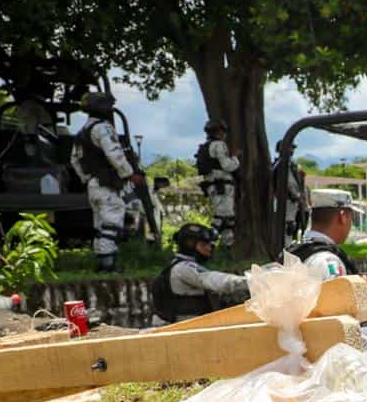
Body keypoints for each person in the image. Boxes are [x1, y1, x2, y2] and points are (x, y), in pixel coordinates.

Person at [70, 92, 145, 272]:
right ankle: (108, 266)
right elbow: (114, 154)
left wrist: (87, 178)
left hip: (94, 185)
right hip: (107, 185)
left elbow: (74, 160)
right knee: (111, 224)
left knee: (101, 226)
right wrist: (129, 174)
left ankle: (101, 263)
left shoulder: (82, 132)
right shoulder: (103, 128)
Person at [150, 223, 248, 325]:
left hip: (190, 326)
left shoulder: (177, 265)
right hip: (188, 329)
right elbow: (214, 280)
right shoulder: (184, 268)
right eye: (204, 244)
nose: (209, 248)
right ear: (190, 244)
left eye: (210, 244)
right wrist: (249, 281)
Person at [287, 188, 364, 281]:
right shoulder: (329, 261)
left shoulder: (296, 250)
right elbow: (336, 295)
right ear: (343, 217)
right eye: (351, 218)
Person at [196, 119, 240, 248]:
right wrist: (235, 158)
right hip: (222, 187)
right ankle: (207, 244)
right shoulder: (219, 145)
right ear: (220, 131)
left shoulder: (206, 146)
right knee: (223, 219)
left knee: (226, 219)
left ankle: (227, 247)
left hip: (214, 186)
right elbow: (228, 166)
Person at [274, 141, 306, 246]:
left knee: (292, 225)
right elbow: (287, 183)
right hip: (286, 199)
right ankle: (284, 248)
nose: (292, 151)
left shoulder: (291, 165)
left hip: (291, 200)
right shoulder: (281, 164)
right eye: (290, 148)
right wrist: (296, 196)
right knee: (287, 225)